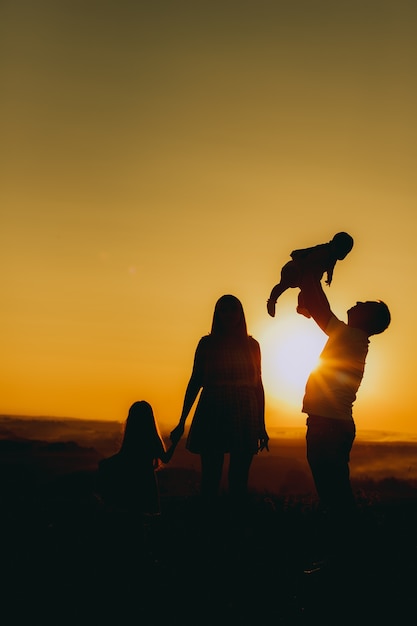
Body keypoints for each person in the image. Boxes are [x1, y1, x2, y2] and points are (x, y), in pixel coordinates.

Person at [298, 268, 390, 543]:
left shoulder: (349, 336)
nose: (358, 303)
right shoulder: (352, 339)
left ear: (367, 319)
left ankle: (351, 548)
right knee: (335, 491)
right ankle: (347, 548)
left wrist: (310, 272)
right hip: (331, 423)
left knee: (333, 493)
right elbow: (318, 309)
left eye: (364, 305)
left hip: (328, 424)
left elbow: (320, 308)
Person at [170, 294, 269, 508]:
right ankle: (208, 524)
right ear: (217, 314)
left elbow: (258, 385)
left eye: (233, 309)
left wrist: (262, 425)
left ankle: (235, 525)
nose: (229, 314)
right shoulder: (207, 344)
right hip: (213, 407)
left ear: (240, 313)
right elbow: (195, 380)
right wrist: (182, 419)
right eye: (223, 310)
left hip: (245, 410)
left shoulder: (252, 346)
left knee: (239, 479)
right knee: (211, 476)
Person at [97, 400, 177, 516]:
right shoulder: (152, 438)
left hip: (131, 479)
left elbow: (122, 457)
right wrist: (175, 443)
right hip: (147, 480)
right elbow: (165, 458)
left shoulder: (131, 438)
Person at [267, 231, 354, 318]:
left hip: (307, 276)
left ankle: (302, 307)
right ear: (336, 246)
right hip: (295, 269)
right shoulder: (324, 252)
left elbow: (331, 268)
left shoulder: (332, 257)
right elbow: (310, 260)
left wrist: (329, 277)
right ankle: (272, 300)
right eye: (343, 251)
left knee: (307, 292)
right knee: (284, 285)